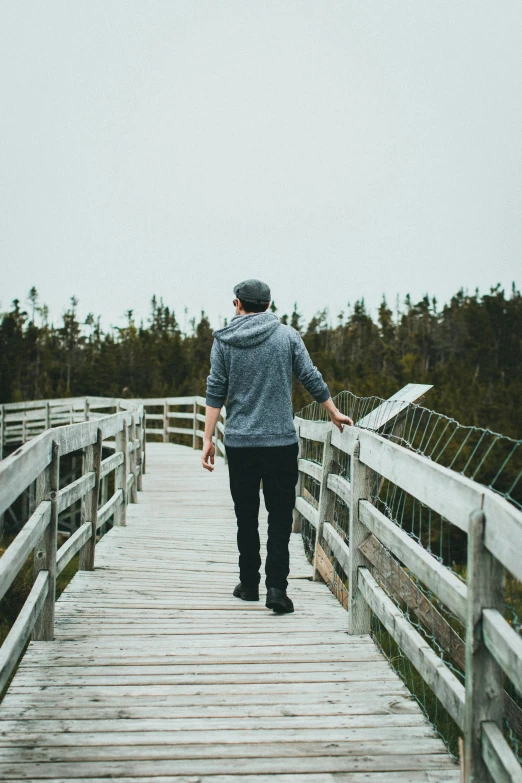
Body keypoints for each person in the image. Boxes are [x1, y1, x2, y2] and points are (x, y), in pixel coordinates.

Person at [202, 279, 353, 614]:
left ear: (237, 304)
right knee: (280, 517)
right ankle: (277, 589)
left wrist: (207, 439)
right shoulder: (287, 337)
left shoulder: (223, 342)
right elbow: (310, 377)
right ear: (269, 305)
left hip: (240, 444)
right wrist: (333, 413)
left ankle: (249, 584)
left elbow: (215, 391)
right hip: (281, 443)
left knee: (246, 517)